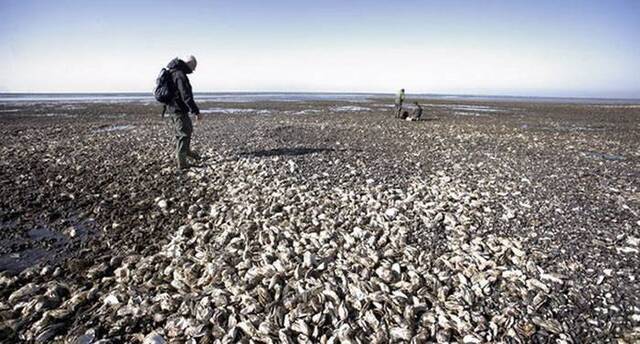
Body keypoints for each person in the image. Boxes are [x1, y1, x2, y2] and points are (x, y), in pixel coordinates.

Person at [166, 55, 201, 170]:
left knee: (187, 129)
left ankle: (186, 151)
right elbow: (186, 95)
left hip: (174, 108)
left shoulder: (174, 72)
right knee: (183, 133)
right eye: (193, 67)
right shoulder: (179, 74)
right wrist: (196, 111)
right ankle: (182, 162)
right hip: (178, 109)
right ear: (189, 63)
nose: (193, 70)